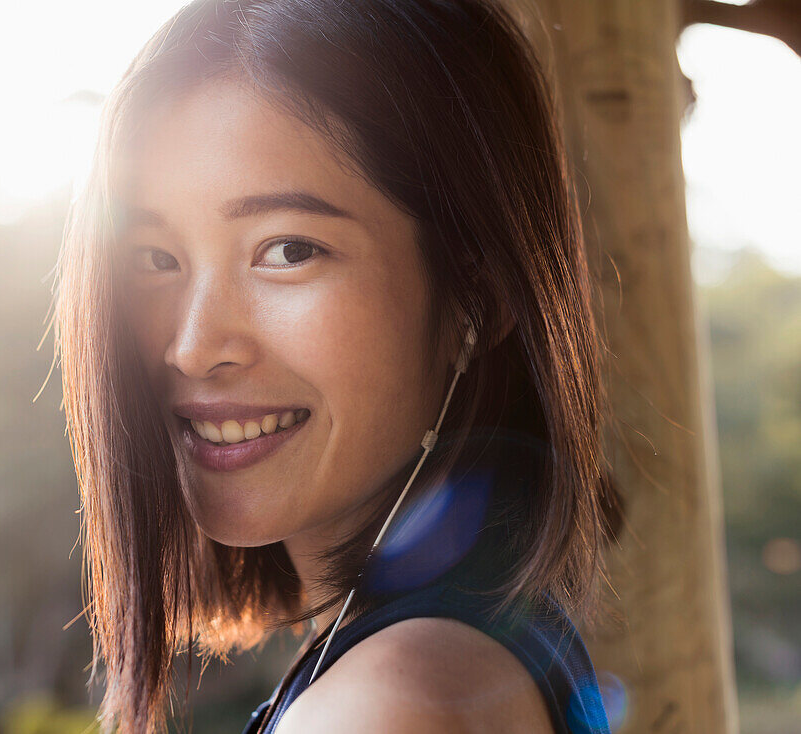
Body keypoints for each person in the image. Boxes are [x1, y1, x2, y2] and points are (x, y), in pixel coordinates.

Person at [52, 0, 620, 731]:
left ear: (475, 298)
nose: (192, 345)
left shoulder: (393, 704)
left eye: (287, 250)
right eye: (156, 259)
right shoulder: (477, 643)